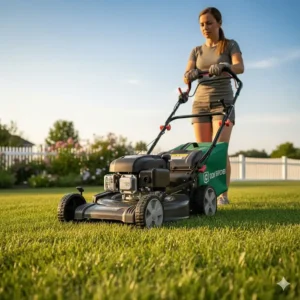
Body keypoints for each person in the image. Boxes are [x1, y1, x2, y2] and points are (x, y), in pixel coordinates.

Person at [183, 7, 244, 205]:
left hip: (223, 102)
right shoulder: (196, 50)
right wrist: (190, 75)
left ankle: (222, 195)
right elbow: (186, 75)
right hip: (200, 103)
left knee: (219, 150)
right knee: (203, 151)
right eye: (202, 24)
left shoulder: (229, 45)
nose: (205, 27)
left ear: (218, 23)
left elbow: (239, 67)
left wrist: (225, 66)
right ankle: (204, 194)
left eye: (209, 23)